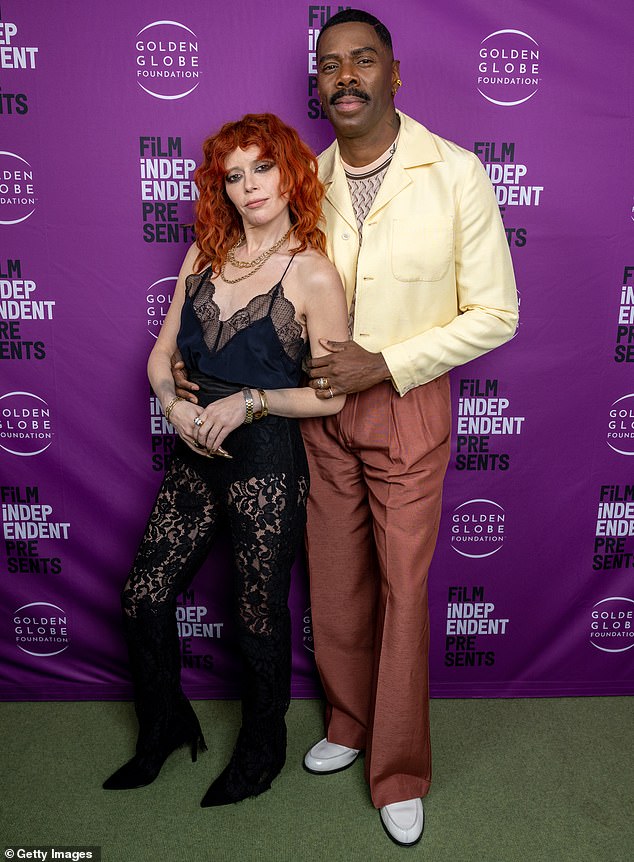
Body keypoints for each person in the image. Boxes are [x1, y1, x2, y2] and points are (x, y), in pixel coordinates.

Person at [173, 9, 518, 845]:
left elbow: (497, 314)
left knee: (400, 591)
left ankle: (398, 769)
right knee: (333, 583)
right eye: (331, 65)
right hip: (316, 415)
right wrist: (198, 369)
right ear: (318, 84)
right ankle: (349, 723)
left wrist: (386, 363)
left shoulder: (457, 173)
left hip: (405, 404)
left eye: (365, 60)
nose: (347, 75)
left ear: (395, 74)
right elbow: (259, 292)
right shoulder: (305, 179)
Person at [102, 113, 348, 807]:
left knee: (259, 614)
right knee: (143, 595)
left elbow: (329, 398)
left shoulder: (314, 274)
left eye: (261, 168)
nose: (249, 187)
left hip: (266, 462)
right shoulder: (205, 252)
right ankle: (163, 726)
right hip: (195, 454)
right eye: (233, 176)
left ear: (290, 171)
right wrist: (172, 407)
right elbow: (161, 356)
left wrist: (252, 403)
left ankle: (262, 747)